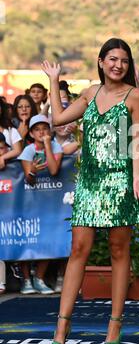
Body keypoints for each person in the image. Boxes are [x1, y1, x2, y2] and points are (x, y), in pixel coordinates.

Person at [41, 38, 139, 344]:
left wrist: (138, 178)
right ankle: (62, 324)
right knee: (78, 249)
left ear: (128, 66)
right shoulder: (90, 93)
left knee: (120, 251)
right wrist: (53, 82)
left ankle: (114, 324)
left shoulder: (135, 96)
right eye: (112, 59)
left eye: (124, 60)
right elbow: (59, 119)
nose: (118, 65)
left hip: (121, 183)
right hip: (89, 182)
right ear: (101, 62)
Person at [18, 114, 64, 295]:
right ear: (30, 133)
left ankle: (39, 278)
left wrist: (47, 145)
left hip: (50, 205)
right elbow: (29, 180)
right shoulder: (27, 151)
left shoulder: (56, 146)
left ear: (50, 130)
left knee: (47, 239)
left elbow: (53, 170)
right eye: (37, 129)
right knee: (26, 239)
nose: (41, 132)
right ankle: (26, 281)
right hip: (30, 203)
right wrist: (33, 172)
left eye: (44, 128)